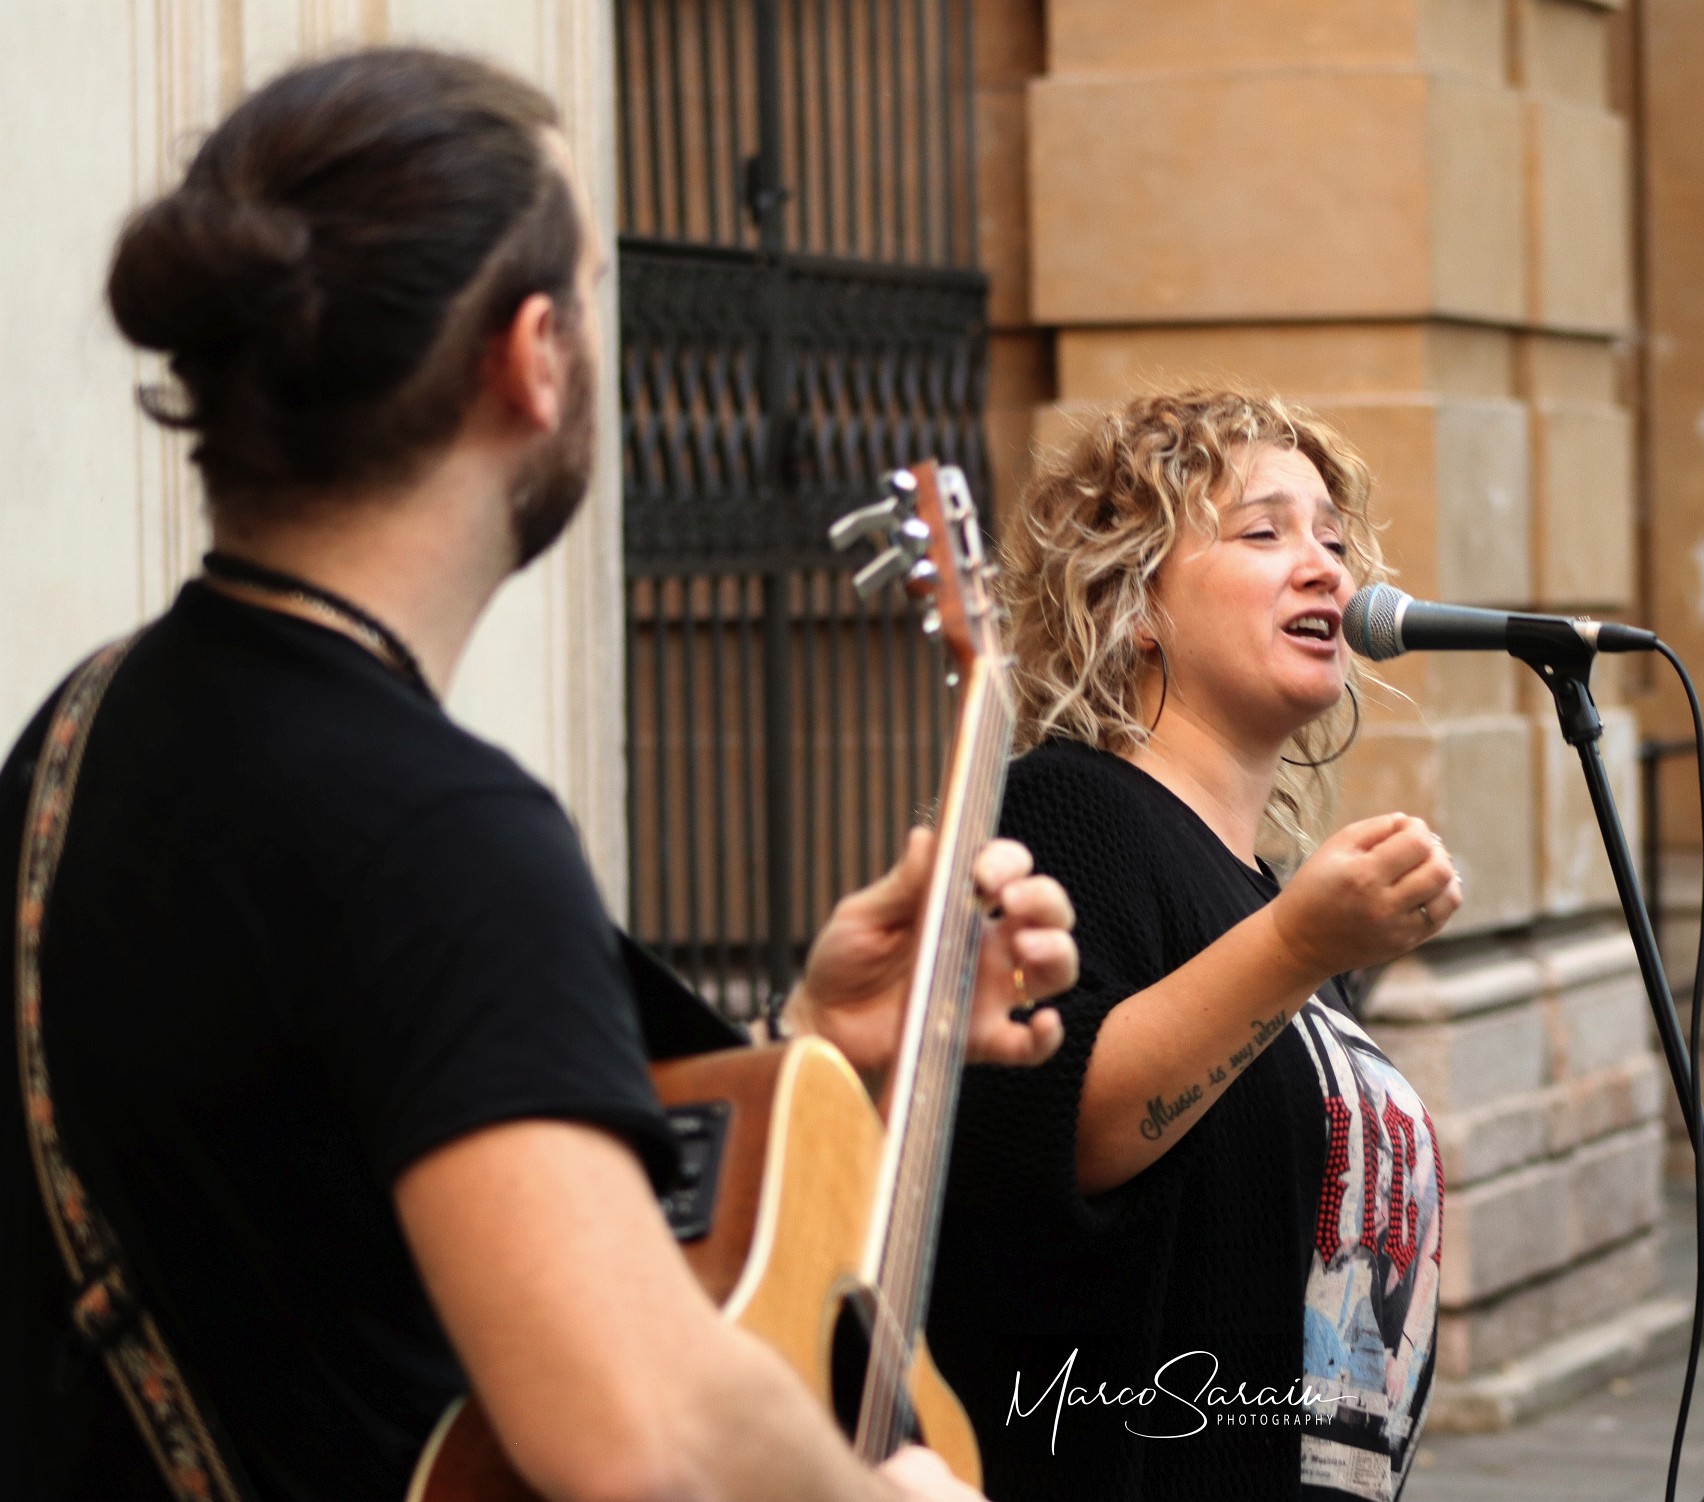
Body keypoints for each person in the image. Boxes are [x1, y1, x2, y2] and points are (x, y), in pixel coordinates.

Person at [0, 48, 1080, 1502]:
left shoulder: (86, 727)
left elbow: (317, 1193)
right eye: (590, 288)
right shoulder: (437, 830)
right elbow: (638, 1429)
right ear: (533, 355)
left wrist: (801, 1039)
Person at [928, 390, 1466, 1502]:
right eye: (1263, 531)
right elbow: (1064, 1128)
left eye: (1330, 535)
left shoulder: (1254, 891)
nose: (1323, 567)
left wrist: (1300, 937)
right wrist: (1300, 943)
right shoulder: (1067, 810)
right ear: (1135, 605)